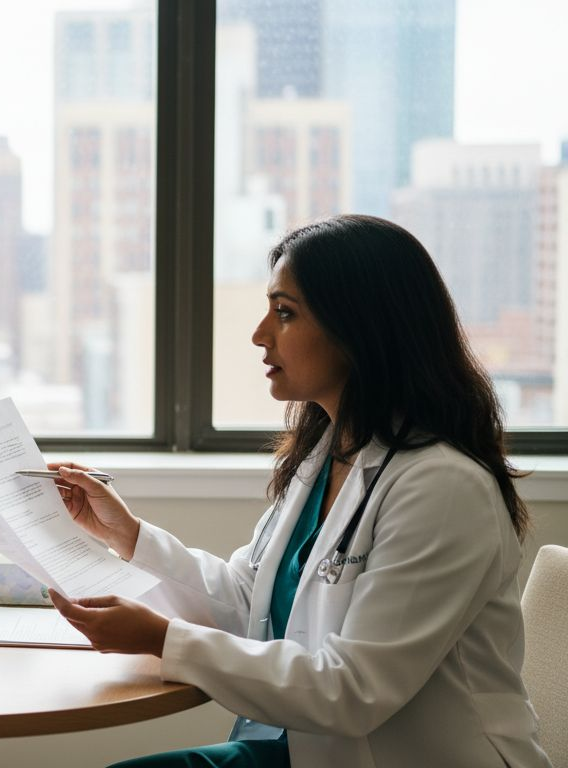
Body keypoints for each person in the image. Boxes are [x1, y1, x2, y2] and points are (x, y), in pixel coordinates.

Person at [47, 214, 550, 767]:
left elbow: (354, 690)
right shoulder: (326, 457)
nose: (260, 334)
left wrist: (165, 640)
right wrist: (125, 534)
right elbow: (249, 603)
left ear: (359, 328)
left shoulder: (444, 489)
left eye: (284, 313)